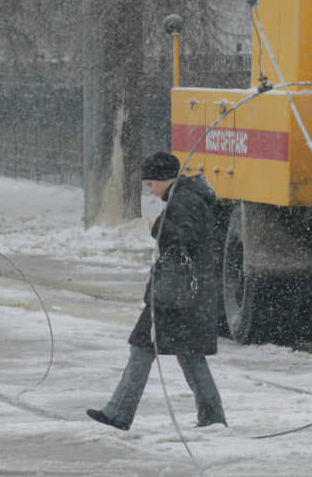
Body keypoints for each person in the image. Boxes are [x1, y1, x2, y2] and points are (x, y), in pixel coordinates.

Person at [86, 152, 227, 431]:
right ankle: (212, 417)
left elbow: (185, 238)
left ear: (165, 178)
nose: (150, 190)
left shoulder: (183, 200)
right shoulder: (188, 196)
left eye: (151, 183)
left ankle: (118, 413)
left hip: (175, 294)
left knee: (142, 346)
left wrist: (157, 226)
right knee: (190, 354)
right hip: (191, 293)